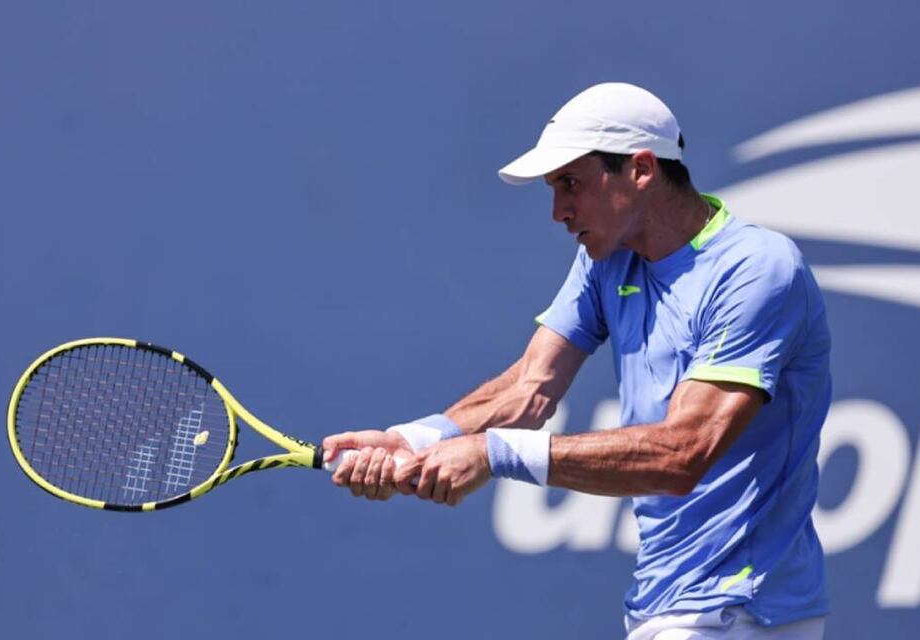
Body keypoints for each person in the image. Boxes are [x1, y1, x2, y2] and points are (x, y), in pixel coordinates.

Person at [323, 82, 830, 639]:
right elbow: (529, 388)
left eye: (571, 184)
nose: (558, 211)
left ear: (640, 169)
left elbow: (683, 453)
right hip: (666, 603)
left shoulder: (757, 269)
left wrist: (493, 453)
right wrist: (417, 439)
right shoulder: (607, 259)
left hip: (744, 608)